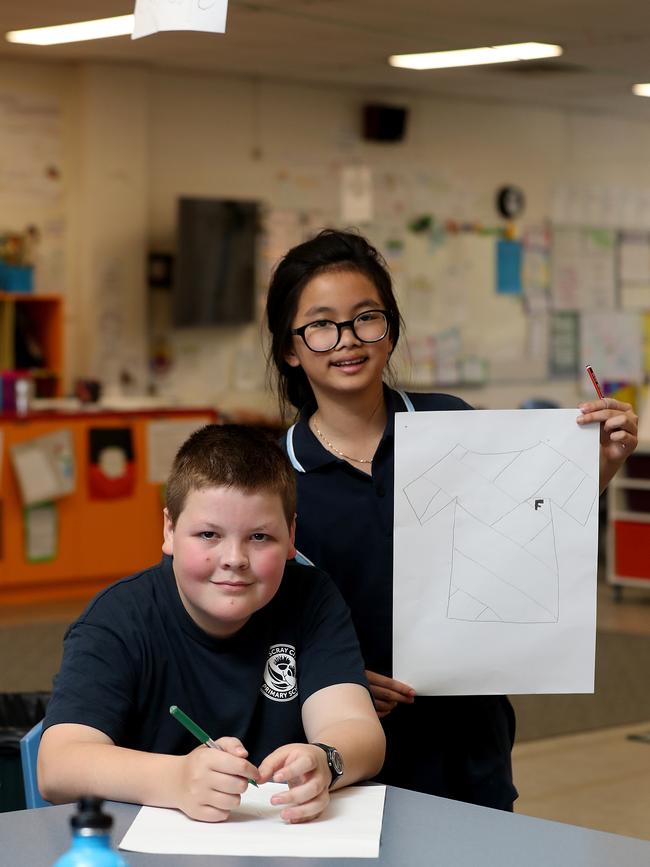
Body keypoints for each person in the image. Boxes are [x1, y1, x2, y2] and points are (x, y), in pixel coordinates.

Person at [265, 228, 639, 810]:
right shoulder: (273, 478)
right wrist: (333, 681)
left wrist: (604, 463)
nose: (348, 340)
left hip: (467, 737)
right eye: (321, 324)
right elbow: (251, 617)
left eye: (367, 317)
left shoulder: (450, 424)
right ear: (290, 348)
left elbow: (523, 535)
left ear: (391, 328)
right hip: (336, 752)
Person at [38, 424, 385, 824]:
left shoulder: (312, 598)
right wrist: (178, 779)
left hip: (281, 841)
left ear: (291, 535)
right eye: (208, 534)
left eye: (259, 537)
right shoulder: (118, 617)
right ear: (169, 530)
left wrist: (326, 760)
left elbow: (358, 728)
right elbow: (57, 766)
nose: (234, 558)